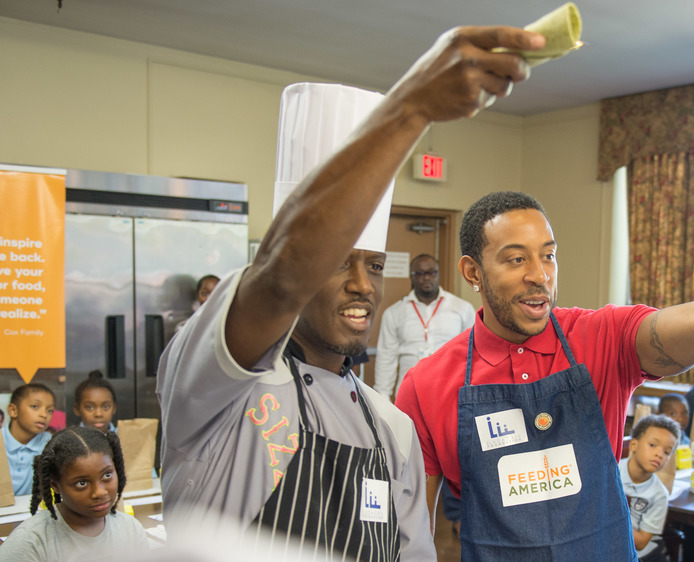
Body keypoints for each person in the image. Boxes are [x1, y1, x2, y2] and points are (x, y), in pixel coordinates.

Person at [156, 25, 544, 560]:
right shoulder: (222, 387)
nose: (363, 285)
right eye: (338, 263)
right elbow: (281, 279)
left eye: (375, 265)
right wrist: (410, 110)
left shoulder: (391, 429)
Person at [396, 176, 694, 559]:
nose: (540, 275)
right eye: (517, 259)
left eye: (548, 255)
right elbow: (416, 530)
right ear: (472, 272)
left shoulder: (604, 338)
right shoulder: (427, 385)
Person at [0, 426, 148, 561]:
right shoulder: (29, 543)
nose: (100, 492)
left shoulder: (130, 529)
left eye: (107, 475)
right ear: (55, 485)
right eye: (81, 483)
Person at [374, 253, 475, 399]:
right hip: (409, 393)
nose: (426, 277)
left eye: (431, 272)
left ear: (438, 274)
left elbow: (473, 353)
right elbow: (386, 358)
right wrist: (382, 398)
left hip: (450, 393)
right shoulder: (394, 313)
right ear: (412, 276)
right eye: (420, 273)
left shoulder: (462, 308)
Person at [620, 414, 680, 562]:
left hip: (640, 555)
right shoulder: (611, 471)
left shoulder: (659, 494)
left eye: (667, 452)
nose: (659, 454)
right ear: (634, 444)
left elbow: (641, 543)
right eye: (652, 445)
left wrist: (611, 519)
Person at [4, 383, 55, 496]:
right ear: (13, 410)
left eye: (49, 410)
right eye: (35, 406)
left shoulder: (52, 445)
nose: (44, 415)